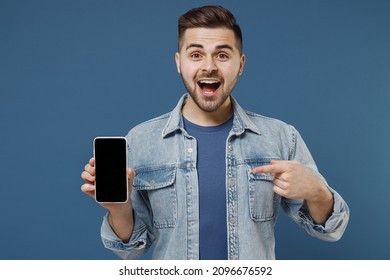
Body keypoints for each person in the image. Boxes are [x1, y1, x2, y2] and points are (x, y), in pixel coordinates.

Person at [81, 5, 349, 260]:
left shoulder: (280, 137)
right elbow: (130, 250)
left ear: (240, 64)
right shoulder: (141, 141)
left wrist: (316, 191)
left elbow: (331, 229)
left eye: (222, 55)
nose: (209, 66)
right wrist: (118, 207)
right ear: (179, 62)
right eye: (196, 54)